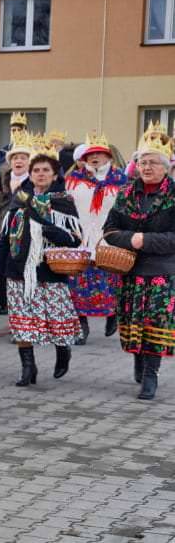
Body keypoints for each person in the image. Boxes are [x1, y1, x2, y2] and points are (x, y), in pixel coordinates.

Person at [0, 149, 83, 387]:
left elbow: (73, 239)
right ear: (30, 175)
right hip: (18, 268)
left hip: (51, 269)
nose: (40, 174)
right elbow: (7, 235)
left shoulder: (63, 200)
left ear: (54, 175)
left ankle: (63, 352)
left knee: (57, 318)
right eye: (36, 170)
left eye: (46, 171)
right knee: (22, 321)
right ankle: (28, 368)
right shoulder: (19, 198)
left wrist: (41, 223)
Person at [103, 137, 175, 401]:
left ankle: (150, 375)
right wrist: (130, 239)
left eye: (153, 162)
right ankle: (139, 360)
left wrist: (146, 240)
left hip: (162, 270)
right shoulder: (126, 193)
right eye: (142, 162)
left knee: (156, 322)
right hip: (130, 270)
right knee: (133, 321)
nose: (146, 167)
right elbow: (109, 230)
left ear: (165, 167)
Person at [65, 134, 128, 345]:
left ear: (108, 156)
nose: (95, 157)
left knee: (110, 281)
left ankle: (113, 314)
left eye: (99, 153)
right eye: (90, 154)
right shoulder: (73, 179)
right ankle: (81, 324)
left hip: (109, 239)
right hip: (80, 238)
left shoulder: (121, 180)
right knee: (77, 283)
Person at [0, 135, 32, 316]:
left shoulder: (32, 184)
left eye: (23, 158)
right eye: (15, 158)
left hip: (23, 239)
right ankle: (5, 305)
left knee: (18, 278)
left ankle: (18, 314)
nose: (19, 161)